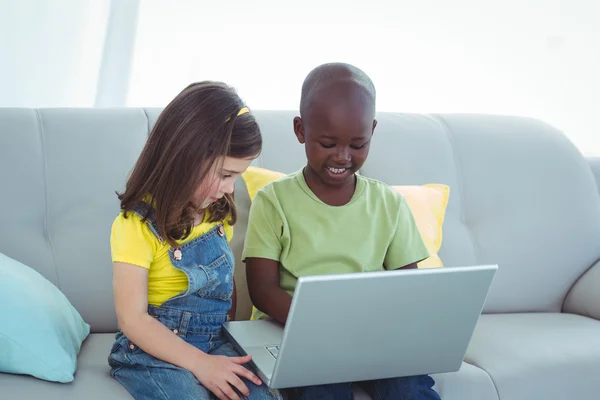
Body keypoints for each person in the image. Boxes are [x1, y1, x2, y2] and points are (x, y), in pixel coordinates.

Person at [243, 63, 441, 400]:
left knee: (411, 386)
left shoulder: (388, 203)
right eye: (328, 143)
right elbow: (262, 290)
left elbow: (407, 289)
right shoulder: (273, 200)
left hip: (370, 335)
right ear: (300, 129)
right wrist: (322, 328)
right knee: (324, 386)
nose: (342, 156)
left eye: (357, 144)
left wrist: (374, 331)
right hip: (297, 331)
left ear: (372, 132)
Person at [108, 82, 282, 400]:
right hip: (150, 354)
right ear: (186, 157)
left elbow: (224, 288)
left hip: (213, 341)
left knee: (262, 394)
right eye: (226, 174)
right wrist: (201, 364)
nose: (231, 189)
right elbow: (132, 320)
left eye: (237, 177)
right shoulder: (135, 225)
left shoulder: (218, 214)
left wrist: (231, 343)